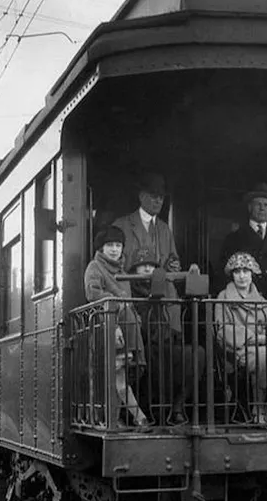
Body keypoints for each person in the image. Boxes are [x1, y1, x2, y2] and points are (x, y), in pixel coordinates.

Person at [215, 251, 267, 425]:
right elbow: (223, 330)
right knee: (265, 358)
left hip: (264, 344)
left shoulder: (260, 299)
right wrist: (254, 338)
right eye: (237, 272)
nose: (242, 276)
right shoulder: (223, 297)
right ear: (232, 275)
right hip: (239, 348)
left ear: (252, 274)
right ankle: (257, 410)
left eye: (246, 271)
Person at [83, 226, 152, 430]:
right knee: (116, 376)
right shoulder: (94, 267)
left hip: (127, 327)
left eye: (118, 245)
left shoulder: (122, 271)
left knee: (118, 375)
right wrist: (116, 313)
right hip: (107, 327)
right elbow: (93, 294)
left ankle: (113, 419)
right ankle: (137, 418)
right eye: (110, 245)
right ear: (102, 247)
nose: (114, 249)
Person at [129, 249, 206, 425]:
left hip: (165, 340)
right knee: (151, 358)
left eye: (151, 265)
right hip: (142, 342)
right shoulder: (130, 288)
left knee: (197, 354)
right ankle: (153, 410)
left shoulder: (166, 285)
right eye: (143, 266)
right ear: (135, 271)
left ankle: (177, 406)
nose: (148, 269)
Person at [113, 172, 183, 330]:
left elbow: (173, 258)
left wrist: (174, 265)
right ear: (141, 196)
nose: (159, 200)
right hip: (131, 295)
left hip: (162, 299)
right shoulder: (121, 225)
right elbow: (112, 264)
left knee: (168, 343)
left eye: (161, 197)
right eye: (154, 195)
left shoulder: (165, 229)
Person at [218, 183, 267, 299]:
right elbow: (224, 274)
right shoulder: (234, 239)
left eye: (266, 205)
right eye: (258, 204)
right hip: (246, 305)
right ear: (250, 207)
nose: (262, 208)